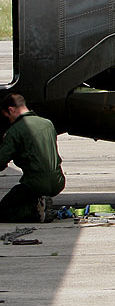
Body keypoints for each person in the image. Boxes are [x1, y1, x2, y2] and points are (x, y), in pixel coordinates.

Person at [0, 93, 65, 223]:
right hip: (58, 181)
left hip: (36, 183)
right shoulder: (47, 124)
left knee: (3, 212)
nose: (9, 120)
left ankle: (37, 213)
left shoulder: (16, 130)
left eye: (7, 116)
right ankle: (40, 204)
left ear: (11, 110)